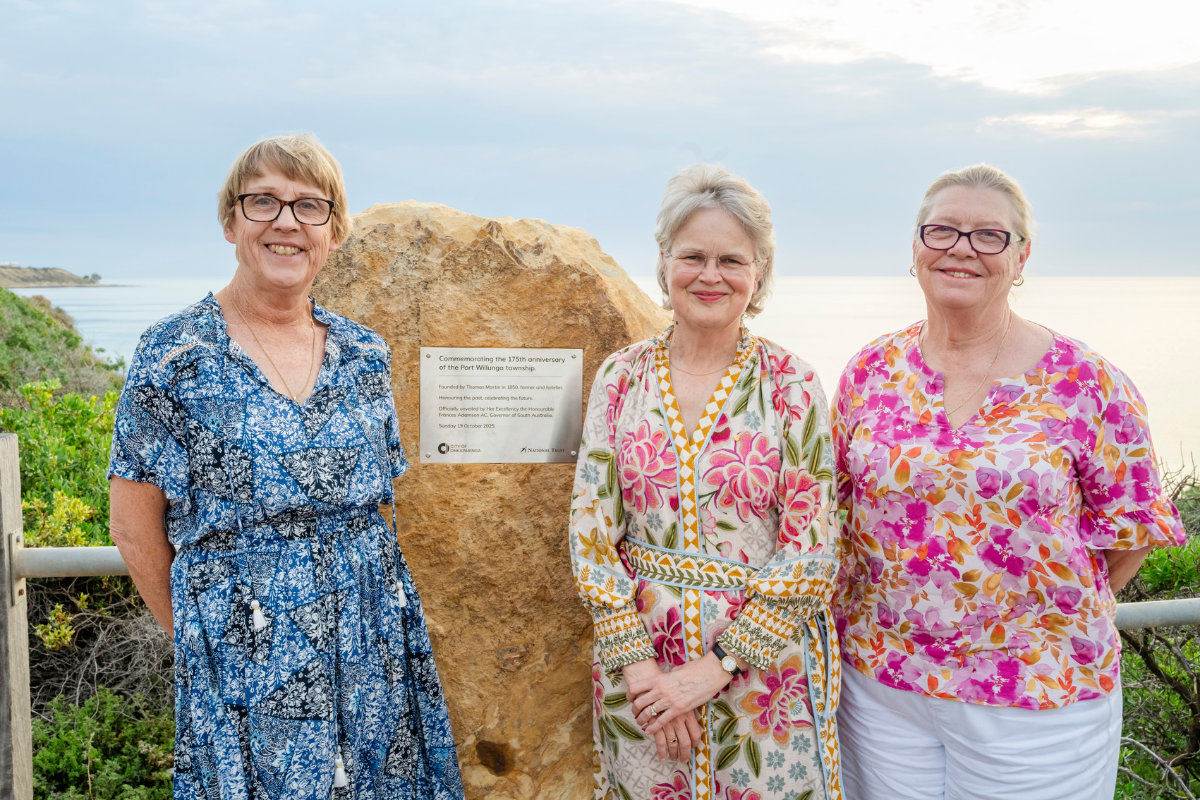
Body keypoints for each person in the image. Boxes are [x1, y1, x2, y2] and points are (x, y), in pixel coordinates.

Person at [108, 134, 464, 799]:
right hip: (243, 658)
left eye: (309, 207)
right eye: (263, 201)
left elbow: (374, 508)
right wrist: (204, 642)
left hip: (371, 645)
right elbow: (132, 528)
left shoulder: (363, 354)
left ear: (333, 232)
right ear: (231, 221)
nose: (286, 222)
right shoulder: (172, 354)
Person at [831, 163, 1186, 799]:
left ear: (1021, 255)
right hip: (881, 688)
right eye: (942, 230)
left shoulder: (1088, 382)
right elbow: (837, 510)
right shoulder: (869, 371)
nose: (961, 248)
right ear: (916, 246)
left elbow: (1129, 533)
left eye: (988, 235)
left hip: (1036, 696)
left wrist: (1026, 619)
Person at [570, 164, 842, 800]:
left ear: (760, 274)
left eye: (732, 260)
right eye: (693, 255)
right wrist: (644, 677)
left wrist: (711, 671)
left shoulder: (791, 384)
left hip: (763, 675)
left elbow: (811, 548)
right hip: (638, 670)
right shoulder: (622, 377)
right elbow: (590, 532)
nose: (710, 275)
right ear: (664, 264)